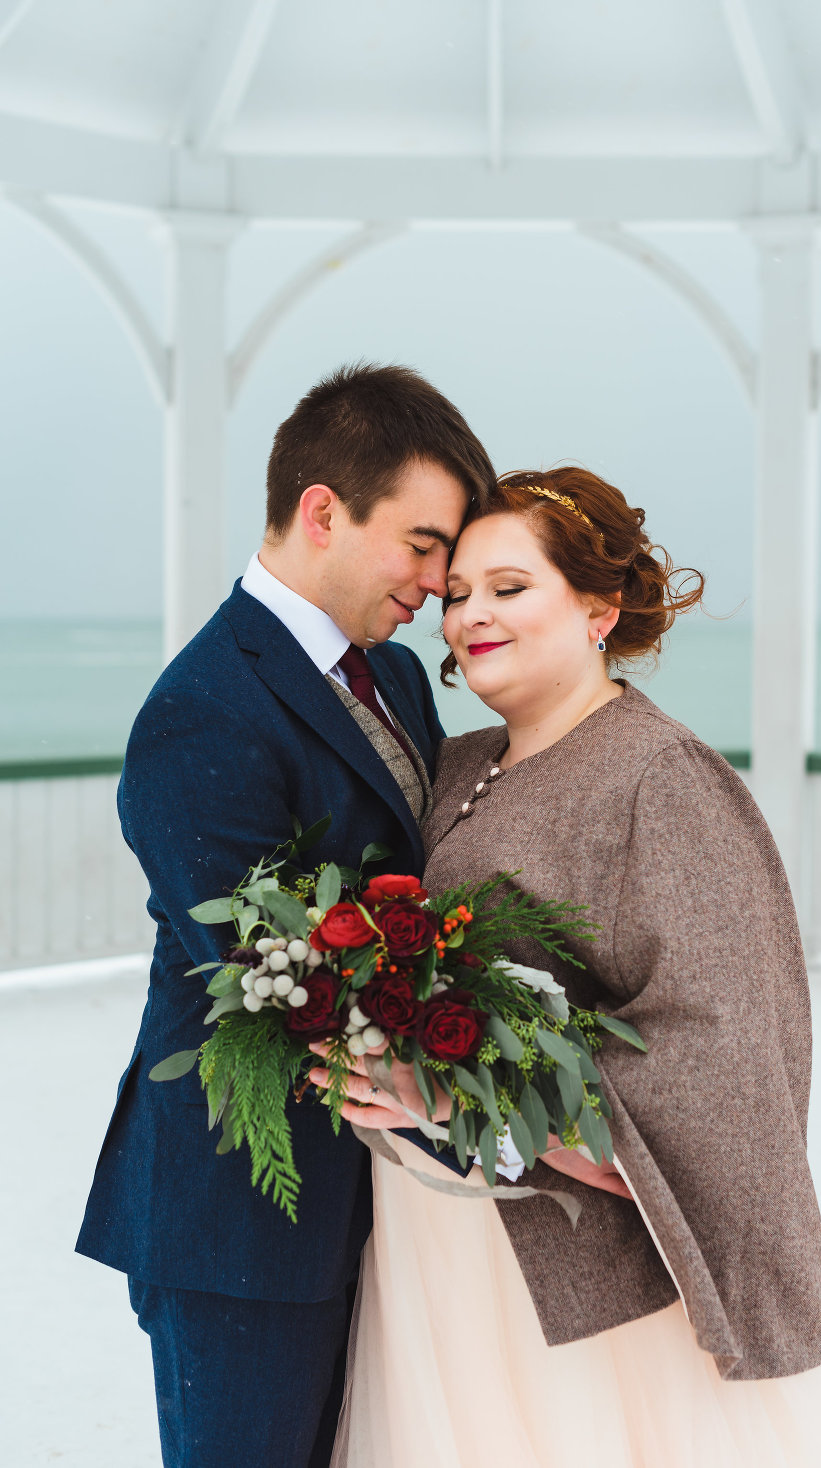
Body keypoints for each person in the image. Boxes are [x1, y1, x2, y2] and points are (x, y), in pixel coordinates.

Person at [319, 467, 821, 1467]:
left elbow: (717, 1053)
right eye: (455, 594)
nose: (467, 618)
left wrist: (456, 1101)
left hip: (575, 1282)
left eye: (508, 588)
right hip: (433, 1248)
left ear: (599, 605)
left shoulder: (655, 775)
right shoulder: (455, 763)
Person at [75, 363, 496, 1468]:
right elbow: (275, 982)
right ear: (322, 510)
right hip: (244, 1225)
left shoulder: (396, 679)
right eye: (419, 543)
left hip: (378, 1200)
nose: (436, 582)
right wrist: (493, 1089)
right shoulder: (200, 710)